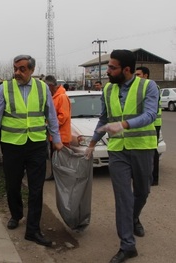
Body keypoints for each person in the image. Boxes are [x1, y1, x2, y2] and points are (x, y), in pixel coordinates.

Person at [85, 50, 159, 263]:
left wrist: (125, 124)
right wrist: (91, 144)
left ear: (126, 70)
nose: (107, 71)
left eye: (112, 67)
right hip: (117, 150)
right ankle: (127, 244)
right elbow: (104, 118)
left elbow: (150, 115)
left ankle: (134, 217)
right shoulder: (108, 89)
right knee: (123, 197)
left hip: (142, 147)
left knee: (142, 191)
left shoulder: (148, 86)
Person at [0, 55, 63, 247]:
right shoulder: (5, 88)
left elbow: (51, 116)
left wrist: (56, 140)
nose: (17, 72)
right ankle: (16, 214)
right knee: (13, 184)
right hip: (12, 145)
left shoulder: (42, 88)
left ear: (32, 70)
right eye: (15, 68)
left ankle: (33, 229)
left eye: (22, 69)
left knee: (36, 188)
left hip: (36, 144)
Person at [135, 66, 162, 186]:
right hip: (146, 123)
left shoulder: (152, 87)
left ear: (146, 75)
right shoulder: (140, 87)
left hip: (154, 123)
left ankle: (154, 178)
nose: (136, 77)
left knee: (152, 150)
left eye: (138, 74)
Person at [44, 75, 71, 180]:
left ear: (50, 86)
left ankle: (63, 177)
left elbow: (63, 116)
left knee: (62, 158)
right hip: (54, 134)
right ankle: (55, 175)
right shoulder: (54, 97)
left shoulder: (62, 97)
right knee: (54, 157)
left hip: (62, 136)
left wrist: (50, 124)